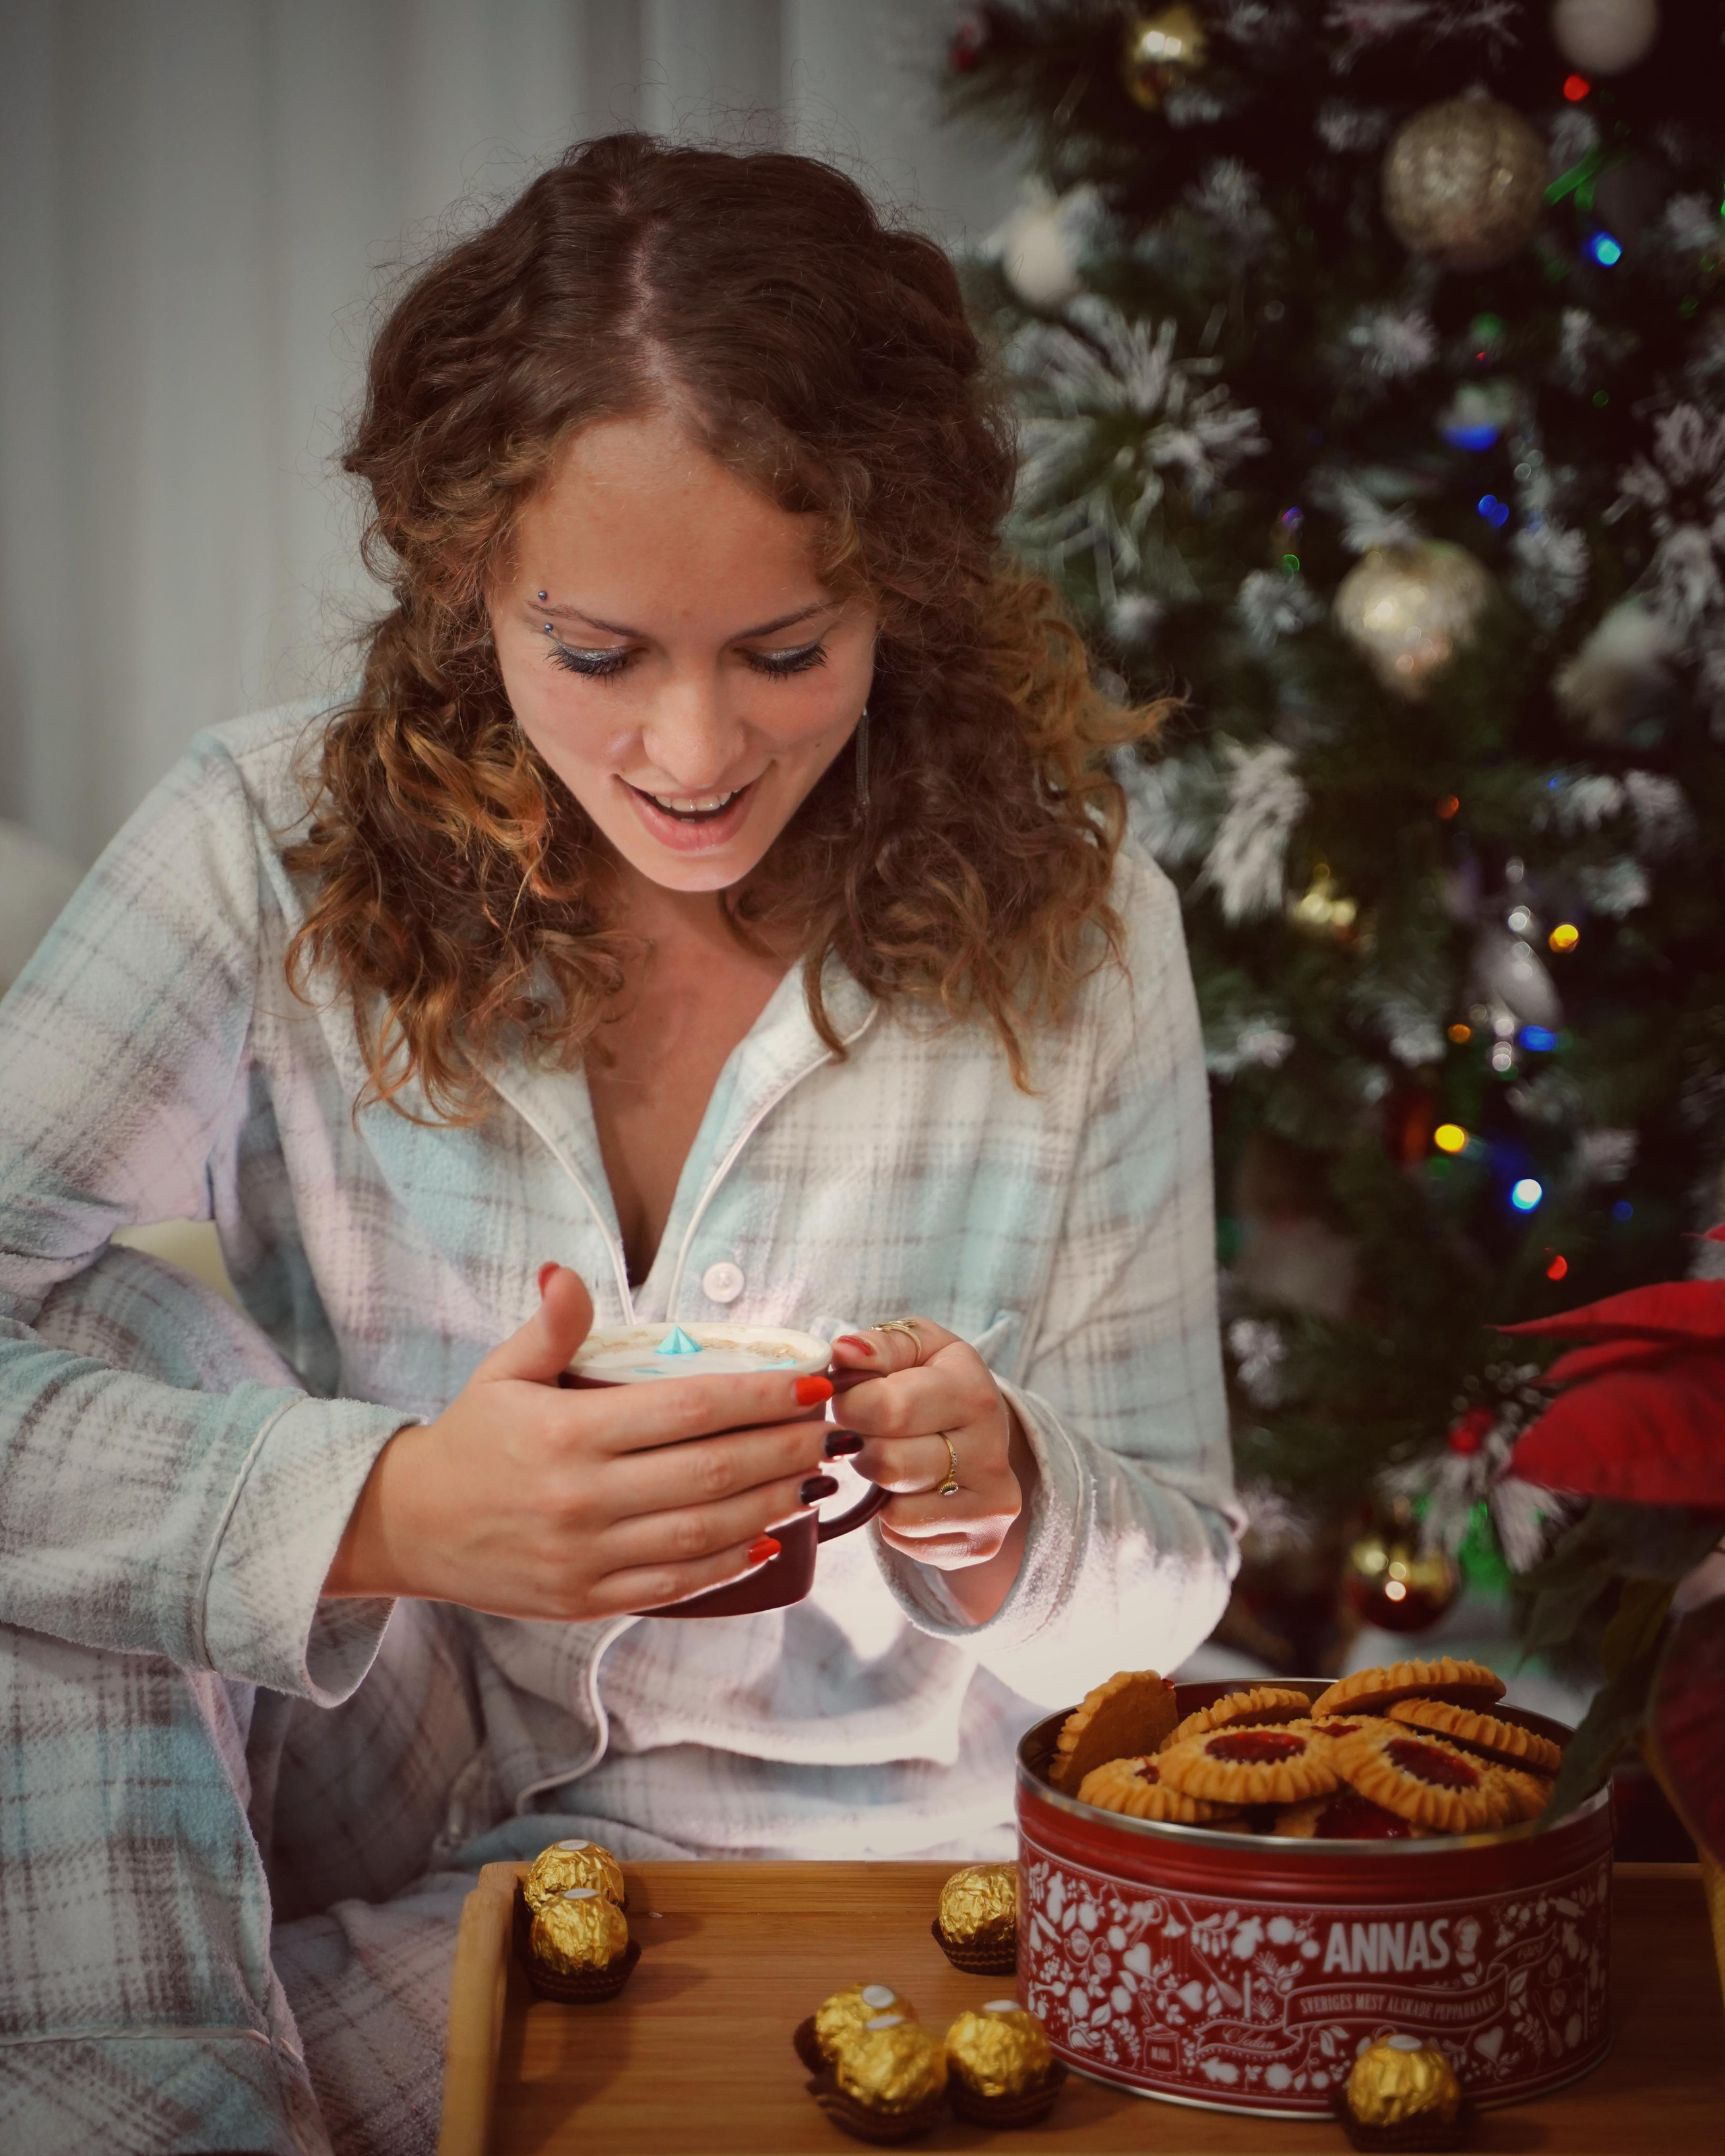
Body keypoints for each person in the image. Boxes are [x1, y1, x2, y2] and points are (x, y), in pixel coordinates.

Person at [0, 134, 1237, 2155]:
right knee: (105, 1328)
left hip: (836, 1874)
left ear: (900, 590)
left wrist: (1010, 1502)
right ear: (467, 579)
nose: (695, 755)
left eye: (787, 653)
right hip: (371, 1797)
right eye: (597, 657)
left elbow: (1168, 1587)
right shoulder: (263, 847)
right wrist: (392, 1513)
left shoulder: (1083, 940)